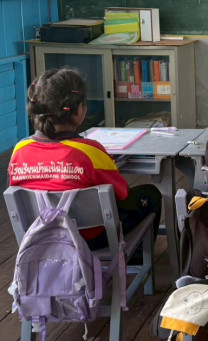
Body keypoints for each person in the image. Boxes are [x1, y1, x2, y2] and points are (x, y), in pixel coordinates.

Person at [8, 67, 161, 251]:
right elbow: (123, 195)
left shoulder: (20, 151)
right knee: (151, 195)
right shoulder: (89, 151)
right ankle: (134, 259)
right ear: (78, 110)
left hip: (40, 235)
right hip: (90, 239)